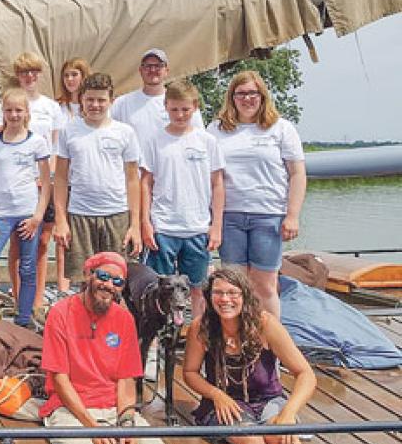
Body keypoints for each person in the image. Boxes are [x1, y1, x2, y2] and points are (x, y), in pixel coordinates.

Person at [41, 252, 183, 444]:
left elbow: (126, 380)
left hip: (114, 408)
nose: (109, 285)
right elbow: (60, 380)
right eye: (104, 276)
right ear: (88, 275)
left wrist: (127, 424)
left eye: (118, 281)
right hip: (70, 409)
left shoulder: (125, 319)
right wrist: (92, 429)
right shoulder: (60, 313)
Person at [184, 268, 316, 444]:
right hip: (227, 405)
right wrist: (216, 394)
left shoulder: (266, 324)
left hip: (268, 401)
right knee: (251, 440)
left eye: (232, 293)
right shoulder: (201, 327)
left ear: (244, 295)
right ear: (209, 297)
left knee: (287, 442)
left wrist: (289, 413)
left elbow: (305, 374)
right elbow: (190, 372)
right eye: (218, 293)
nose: (225, 299)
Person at [208, 71, 306, 317]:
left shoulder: (281, 128)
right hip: (229, 217)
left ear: (262, 96)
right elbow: (208, 176)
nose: (247, 99)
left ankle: (270, 344)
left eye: (253, 93)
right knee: (234, 286)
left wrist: (292, 215)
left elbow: (297, 174)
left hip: (268, 215)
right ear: (232, 98)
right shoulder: (216, 130)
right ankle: (238, 340)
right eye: (241, 94)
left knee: (265, 285)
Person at [140, 79, 224, 321]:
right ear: (166, 107)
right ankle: (155, 336)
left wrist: (216, 225)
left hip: (197, 228)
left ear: (195, 107)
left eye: (185, 109)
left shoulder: (207, 141)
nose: (179, 114)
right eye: (174, 109)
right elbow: (146, 182)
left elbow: (217, 184)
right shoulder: (154, 140)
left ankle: (197, 333)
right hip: (163, 227)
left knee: (198, 287)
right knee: (157, 287)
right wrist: (146, 222)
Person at [54, 73, 142, 292]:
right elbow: (61, 178)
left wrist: (135, 224)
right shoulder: (69, 131)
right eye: (90, 99)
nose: (95, 105)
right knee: (85, 282)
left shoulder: (125, 132)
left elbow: (133, 180)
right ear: (81, 100)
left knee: (116, 281)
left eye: (101, 100)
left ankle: (114, 326)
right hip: (80, 215)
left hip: (117, 215)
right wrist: (61, 220)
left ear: (111, 101)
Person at [0, 89, 50, 326]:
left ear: (27, 112)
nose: (14, 115)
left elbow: (46, 183)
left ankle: (23, 320)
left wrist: (38, 216)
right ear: (3, 113)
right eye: (9, 110)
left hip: (28, 214)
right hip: (1, 216)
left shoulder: (37, 142)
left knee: (28, 269)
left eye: (19, 110)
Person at [0, 52, 62, 319]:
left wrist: (48, 175)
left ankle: (36, 299)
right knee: (19, 241)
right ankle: (18, 297)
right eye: (24, 72)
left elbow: (56, 146)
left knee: (43, 242)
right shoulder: (7, 104)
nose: (29, 76)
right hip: (18, 186)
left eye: (33, 71)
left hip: (43, 182)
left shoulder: (51, 107)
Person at [110, 48, 203, 146]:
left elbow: (199, 138)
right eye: (148, 66)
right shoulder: (122, 103)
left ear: (166, 71)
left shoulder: (184, 103)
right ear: (140, 70)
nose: (153, 70)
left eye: (158, 66)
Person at [53, 57, 91, 293]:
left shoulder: (96, 106)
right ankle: (62, 288)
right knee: (62, 234)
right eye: (66, 75)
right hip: (64, 178)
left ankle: (88, 286)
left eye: (75, 74)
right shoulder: (58, 108)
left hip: (87, 179)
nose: (70, 80)